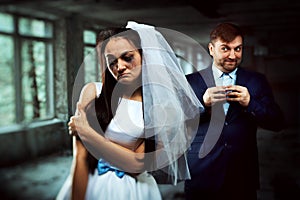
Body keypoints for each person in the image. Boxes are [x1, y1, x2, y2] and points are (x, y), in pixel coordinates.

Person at [57, 21, 204, 200]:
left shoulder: (159, 108)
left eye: (127, 57)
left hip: (134, 189)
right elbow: (80, 158)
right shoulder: (92, 92)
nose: (119, 67)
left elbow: (137, 165)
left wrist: (88, 132)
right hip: (92, 183)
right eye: (112, 61)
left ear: (145, 56)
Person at [184, 22, 286, 200]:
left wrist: (251, 102)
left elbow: (277, 122)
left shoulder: (256, 81)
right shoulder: (191, 82)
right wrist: (202, 104)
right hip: (201, 175)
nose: (232, 55)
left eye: (238, 49)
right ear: (211, 49)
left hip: (242, 177)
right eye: (225, 48)